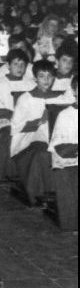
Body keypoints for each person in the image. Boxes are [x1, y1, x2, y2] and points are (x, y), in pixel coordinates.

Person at [10, 59, 69, 206]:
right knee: (42, 153)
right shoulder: (25, 98)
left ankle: (62, 192)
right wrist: (40, 121)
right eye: (42, 76)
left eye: (50, 76)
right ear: (35, 77)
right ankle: (42, 193)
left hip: (55, 139)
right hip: (28, 140)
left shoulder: (61, 99)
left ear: (54, 77)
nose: (46, 80)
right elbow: (16, 127)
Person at [0, 49, 35, 182]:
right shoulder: (1, 83)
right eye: (15, 64)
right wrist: (17, 117)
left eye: (22, 65)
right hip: (4, 120)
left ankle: (22, 173)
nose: (19, 68)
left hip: (25, 120)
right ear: (8, 65)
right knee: (6, 134)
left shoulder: (31, 83)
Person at [49, 75, 78, 231]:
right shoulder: (65, 115)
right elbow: (61, 148)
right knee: (68, 178)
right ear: (74, 91)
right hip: (68, 161)